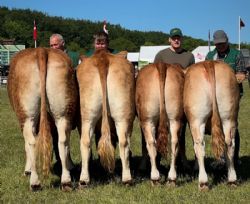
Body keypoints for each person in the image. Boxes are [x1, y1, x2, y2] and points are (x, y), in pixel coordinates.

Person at [140, 28, 195, 173]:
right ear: (169, 40)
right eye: (174, 38)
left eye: (178, 38)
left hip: (180, 95)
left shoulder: (189, 56)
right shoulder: (161, 55)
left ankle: (180, 158)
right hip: (158, 94)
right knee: (154, 126)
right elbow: (153, 74)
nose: (176, 40)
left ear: (182, 39)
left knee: (180, 130)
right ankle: (152, 158)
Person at [206, 30, 247, 167]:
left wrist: (230, 78)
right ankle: (221, 157)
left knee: (231, 125)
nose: (221, 46)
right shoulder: (210, 55)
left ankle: (233, 158)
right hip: (212, 97)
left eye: (223, 43)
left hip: (231, 97)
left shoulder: (236, 54)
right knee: (215, 124)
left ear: (227, 40)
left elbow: (241, 75)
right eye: (218, 44)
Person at [49, 33, 80, 171]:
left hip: (75, 97)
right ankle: (62, 160)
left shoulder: (73, 56)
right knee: (56, 131)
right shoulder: (49, 58)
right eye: (51, 45)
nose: (53, 47)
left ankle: (88, 159)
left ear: (63, 43)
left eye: (55, 44)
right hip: (56, 99)